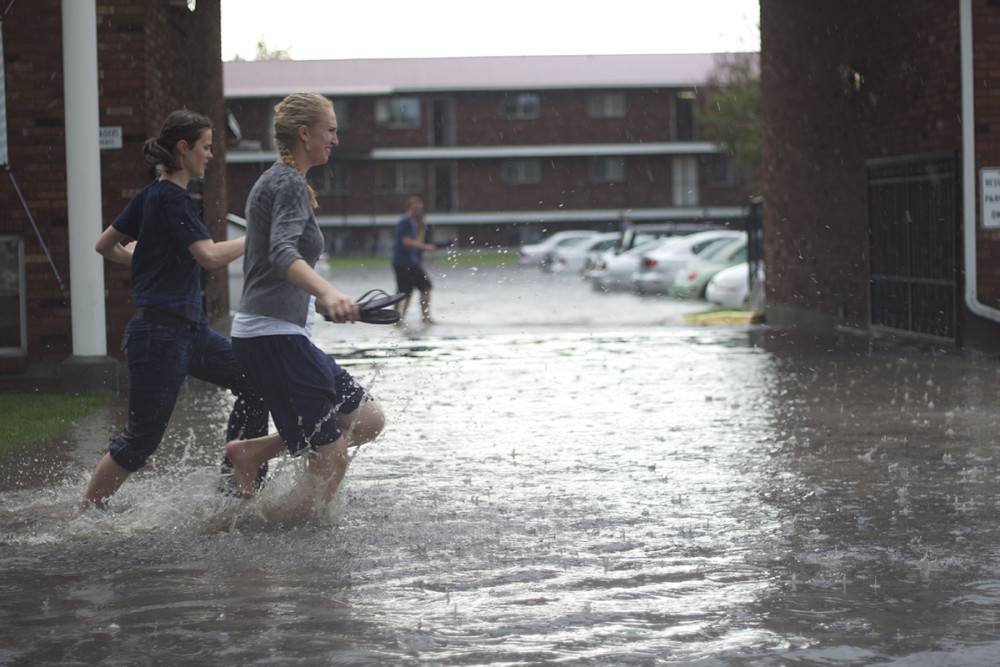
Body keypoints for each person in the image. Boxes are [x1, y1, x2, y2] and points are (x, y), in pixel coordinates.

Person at [82, 109, 268, 510]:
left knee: (257, 381)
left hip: (191, 332)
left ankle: (234, 482)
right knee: (142, 438)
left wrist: (151, 258)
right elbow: (209, 257)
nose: (210, 155)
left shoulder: (150, 196)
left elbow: (105, 245)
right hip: (159, 337)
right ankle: (86, 514)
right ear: (183, 149)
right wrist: (259, 239)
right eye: (205, 147)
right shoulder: (173, 199)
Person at [223, 92, 385, 508]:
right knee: (333, 460)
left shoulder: (284, 181)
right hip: (272, 338)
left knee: (367, 420)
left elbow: (268, 268)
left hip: (282, 333)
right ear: (305, 133)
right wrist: (328, 291)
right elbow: (281, 255)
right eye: (330, 130)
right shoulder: (288, 183)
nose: (335, 138)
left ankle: (255, 451)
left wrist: (317, 306)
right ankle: (294, 535)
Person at [391, 196, 451, 325]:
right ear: (409, 208)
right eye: (416, 208)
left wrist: (443, 244)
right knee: (404, 292)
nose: (418, 211)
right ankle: (397, 318)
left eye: (420, 209)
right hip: (402, 263)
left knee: (425, 287)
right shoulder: (404, 222)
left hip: (412, 262)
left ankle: (425, 317)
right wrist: (426, 247)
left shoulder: (414, 223)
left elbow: (421, 241)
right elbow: (406, 242)